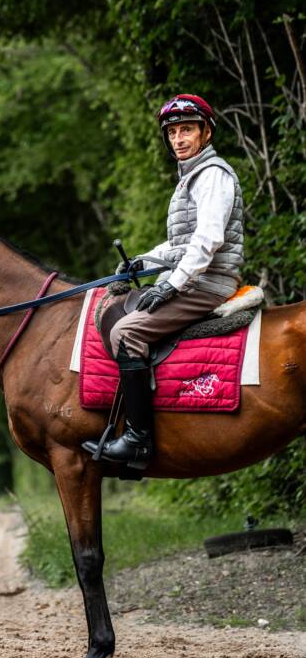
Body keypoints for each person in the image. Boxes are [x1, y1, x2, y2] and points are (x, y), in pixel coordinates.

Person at [82, 94, 244, 469]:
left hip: (209, 282)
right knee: (118, 310)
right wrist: (144, 261)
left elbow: (207, 242)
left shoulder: (212, 176)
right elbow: (180, 244)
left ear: (205, 133)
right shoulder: (190, 178)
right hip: (193, 277)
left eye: (186, 130)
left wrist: (172, 285)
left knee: (128, 334)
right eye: (172, 132)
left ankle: (138, 440)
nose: (178, 139)